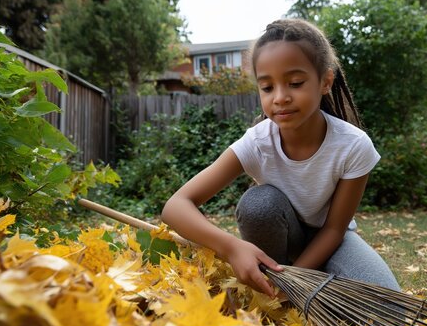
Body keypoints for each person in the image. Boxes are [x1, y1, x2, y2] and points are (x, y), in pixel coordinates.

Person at [161, 19, 400, 298]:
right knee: (259, 204)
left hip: (332, 243)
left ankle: (302, 286)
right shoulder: (258, 142)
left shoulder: (353, 145)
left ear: (325, 81)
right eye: (267, 87)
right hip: (278, 246)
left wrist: (296, 280)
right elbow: (175, 206)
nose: (280, 97)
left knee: (391, 304)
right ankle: (279, 286)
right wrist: (231, 247)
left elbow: (335, 229)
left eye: (295, 83)